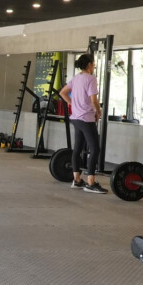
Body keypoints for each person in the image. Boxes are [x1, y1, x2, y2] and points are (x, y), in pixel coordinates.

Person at [59, 54, 107, 194]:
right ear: (89, 65)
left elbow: (63, 92)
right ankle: (91, 183)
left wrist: (73, 104)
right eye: (93, 64)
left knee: (78, 148)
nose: (94, 67)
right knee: (95, 149)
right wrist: (98, 112)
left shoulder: (76, 78)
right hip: (86, 118)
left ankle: (77, 180)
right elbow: (94, 100)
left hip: (76, 118)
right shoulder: (91, 78)